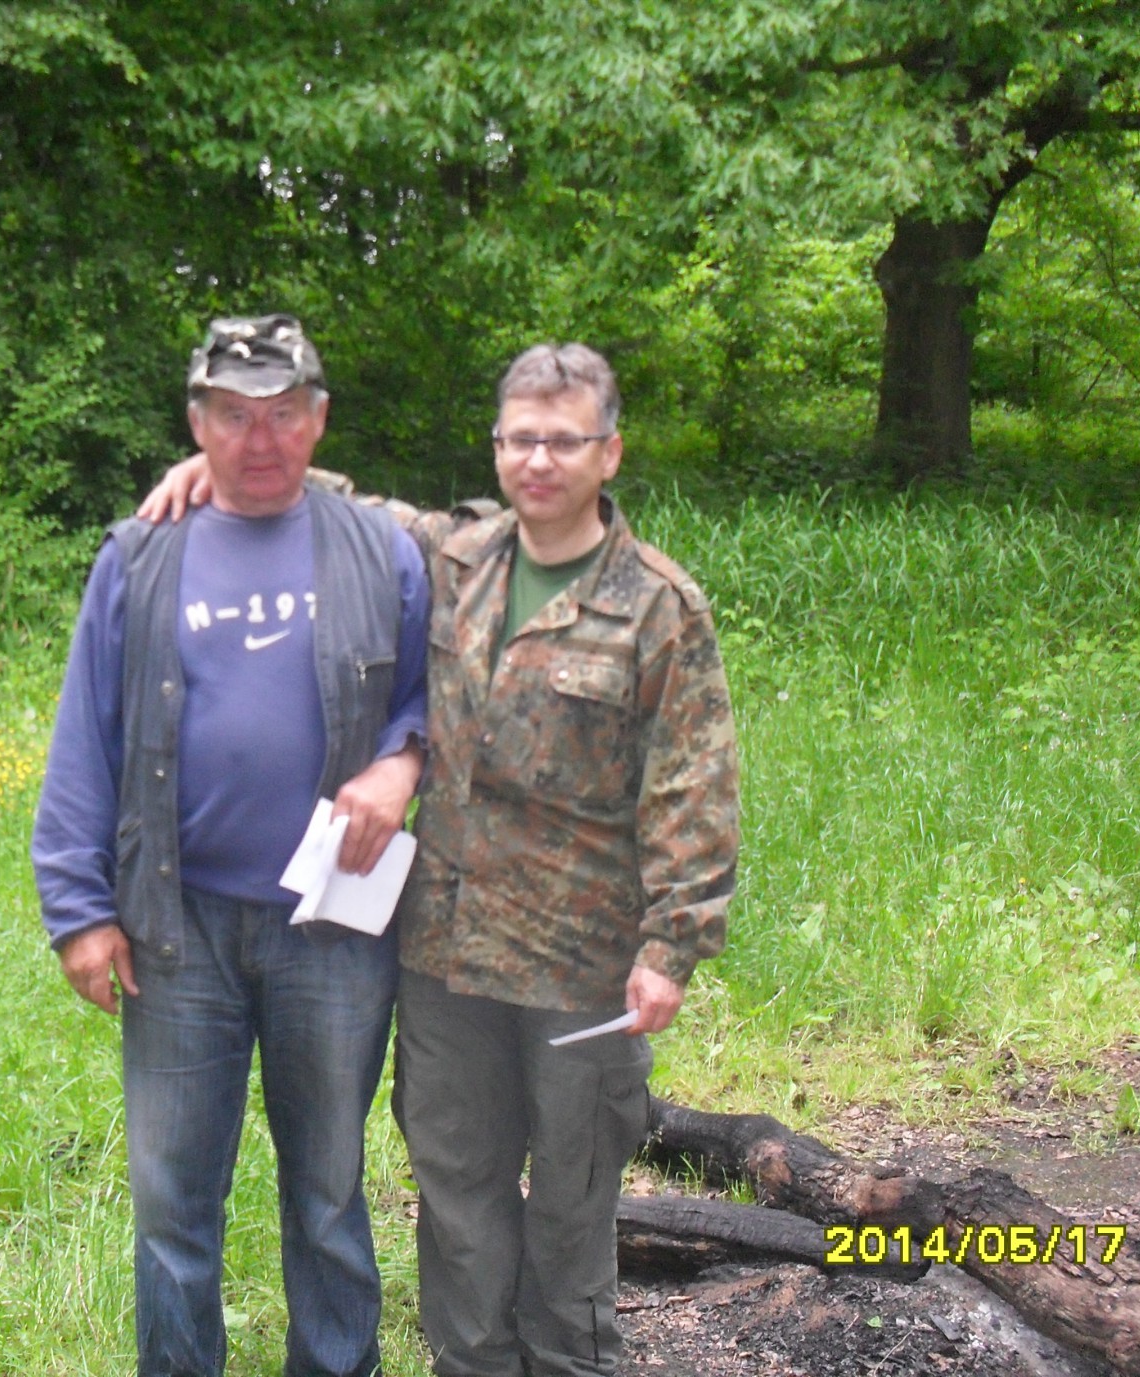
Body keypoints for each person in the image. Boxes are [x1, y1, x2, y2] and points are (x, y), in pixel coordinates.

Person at [141, 341, 738, 1377]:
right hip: (447, 958)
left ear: (609, 453)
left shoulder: (657, 605)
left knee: (571, 1201)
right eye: (521, 439)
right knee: (457, 1197)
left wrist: (671, 946)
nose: (539, 460)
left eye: (564, 441)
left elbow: (693, 784)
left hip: (583, 965)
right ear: (497, 448)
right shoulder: (454, 556)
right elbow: (343, 505)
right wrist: (224, 463)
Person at [32, 313, 431, 1377]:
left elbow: (435, 692)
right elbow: (86, 737)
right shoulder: (140, 557)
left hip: (333, 930)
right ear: (196, 421)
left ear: (320, 419)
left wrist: (404, 761)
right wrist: (78, 910)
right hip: (177, 931)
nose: (262, 439)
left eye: (284, 413)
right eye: (234, 415)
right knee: (173, 1205)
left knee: (330, 1192)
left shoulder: (382, 549)